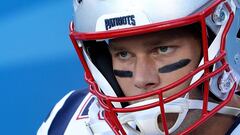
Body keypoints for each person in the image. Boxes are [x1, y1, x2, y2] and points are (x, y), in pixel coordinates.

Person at [38, 0, 240, 134]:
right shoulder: (71, 122)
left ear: (220, 42)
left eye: (162, 50)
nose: (142, 79)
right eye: (123, 54)